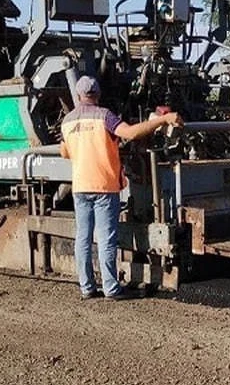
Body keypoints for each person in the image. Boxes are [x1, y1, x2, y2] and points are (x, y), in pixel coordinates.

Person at [60, 75, 183, 300]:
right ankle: (111, 288)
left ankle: (87, 287)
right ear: (97, 95)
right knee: (107, 238)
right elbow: (132, 133)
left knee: (83, 238)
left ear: (79, 96)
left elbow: (64, 152)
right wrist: (162, 120)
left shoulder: (67, 121)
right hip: (105, 186)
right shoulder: (104, 116)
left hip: (80, 186)